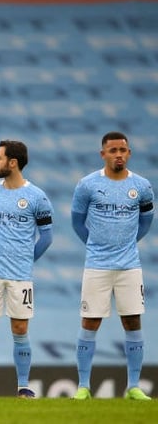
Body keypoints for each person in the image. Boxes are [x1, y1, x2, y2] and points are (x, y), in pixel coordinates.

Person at [71, 131, 154, 401]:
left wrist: (126, 244)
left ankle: (133, 386)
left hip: (130, 266)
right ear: (103, 154)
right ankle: (83, 386)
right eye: (113, 150)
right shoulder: (87, 185)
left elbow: (145, 222)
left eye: (123, 150)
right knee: (90, 321)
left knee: (132, 321)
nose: (118, 154)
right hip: (97, 265)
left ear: (129, 153)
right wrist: (96, 245)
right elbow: (77, 222)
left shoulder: (141, 186)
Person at [0, 140, 54, 399]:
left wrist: (26, 261)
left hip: (20, 275)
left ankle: (23, 386)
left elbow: (47, 237)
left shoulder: (36, 197)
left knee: (20, 329)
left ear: (13, 163)